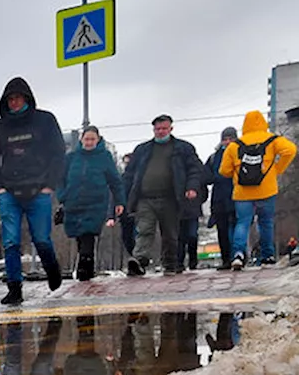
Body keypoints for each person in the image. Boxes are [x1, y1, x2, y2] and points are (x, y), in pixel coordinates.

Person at [0, 77, 66, 305]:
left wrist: (50, 185)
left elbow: (58, 154)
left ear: (26, 98)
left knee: (41, 239)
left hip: (39, 190)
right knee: (11, 242)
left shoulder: (45, 121)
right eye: (10, 99)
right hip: (9, 192)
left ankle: (52, 269)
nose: (14, 102)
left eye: (17, 98)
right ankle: (14, 288)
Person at [121, 115, 203, 275]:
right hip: (145, 198)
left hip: (171, 198)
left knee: (170, 234)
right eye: (157, 129)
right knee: (144, 229)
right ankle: (139, 260)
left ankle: (170, 263)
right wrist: (123, 197)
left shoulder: (183, 148)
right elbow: (129, 174)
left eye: (164, 128)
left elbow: (195, 169)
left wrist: (191, 187)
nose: (160, 132)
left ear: (171, 128)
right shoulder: (142, 150)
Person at [219, 110, 298, 270]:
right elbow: (290, 150)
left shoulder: (235, 145)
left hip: (242, 192)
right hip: (266, 189)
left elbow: (224, 171)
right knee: (266, 222)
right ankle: (267, 256)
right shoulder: (272, 140)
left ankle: (238, 255)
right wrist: (277, 168)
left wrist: (238, 171)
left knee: (242, 223)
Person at [59, 125, 123, 281]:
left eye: (92, 139)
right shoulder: (71, 158)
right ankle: (88, 267)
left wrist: (119, 201)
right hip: (73, 203)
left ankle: (84, 268)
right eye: (86, 139)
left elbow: (115, 180)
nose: (89, 142)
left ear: (98, 140)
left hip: (96, 203)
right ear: (81, 140)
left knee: (88, 233)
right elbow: (60, 179)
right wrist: (63, 196)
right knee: (79, 236)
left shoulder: (105, 157)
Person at [205, 128, 238, 270]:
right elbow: (205, 176)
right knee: (222, 230)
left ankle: (237, 256)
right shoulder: (214, 157)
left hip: (238, 196)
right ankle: (226, 259)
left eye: (231, 138)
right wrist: (218, 177)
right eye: (225, 139)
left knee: (237, 228)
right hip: (219, 199)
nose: (228, 142)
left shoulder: (241, 152)